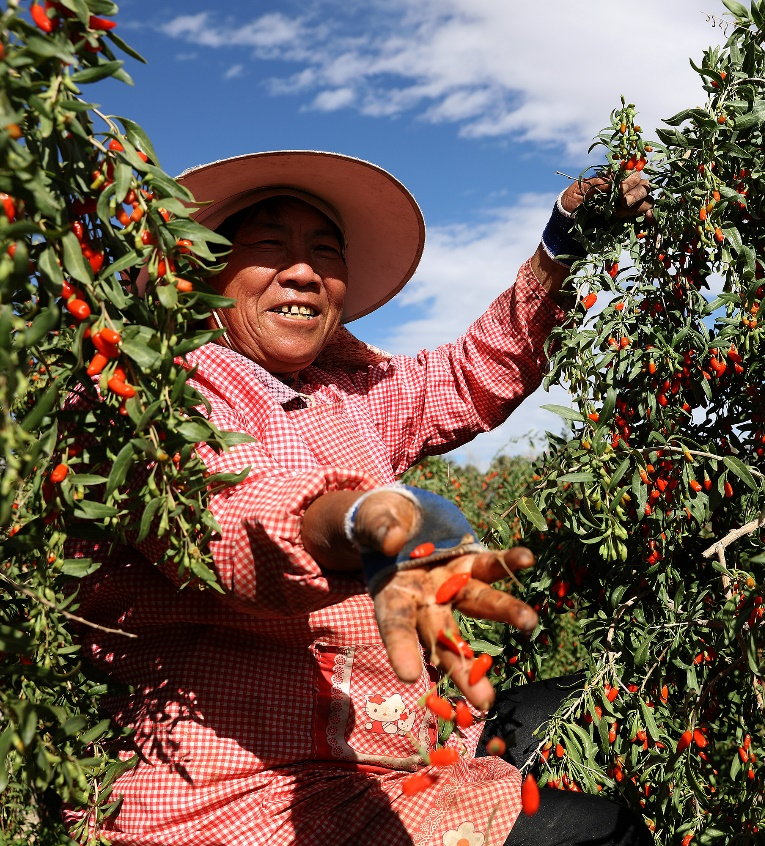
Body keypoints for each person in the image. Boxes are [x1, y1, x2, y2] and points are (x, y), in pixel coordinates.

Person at [68, 151, 653, 846]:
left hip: (390, 741)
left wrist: (560, 248)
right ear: (200, 272)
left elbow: (468, 377)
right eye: (268, 246)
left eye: (324, 251)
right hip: (246, 789)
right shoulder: (148, 392)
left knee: (611, 714)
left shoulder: (344, 390)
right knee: (597, 835)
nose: (305, 271)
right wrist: (364, 519)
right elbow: (226, 518)